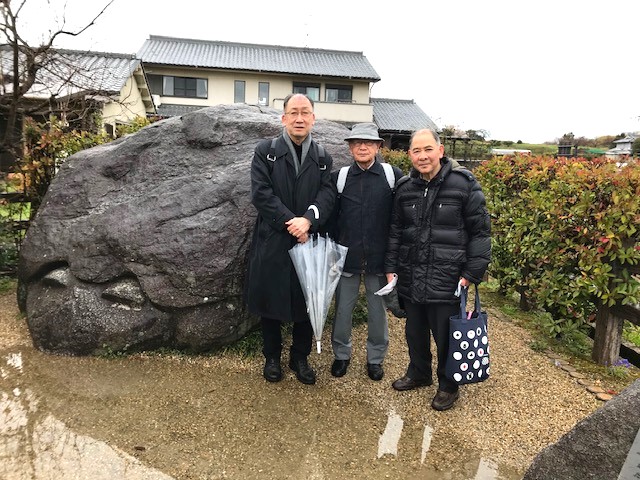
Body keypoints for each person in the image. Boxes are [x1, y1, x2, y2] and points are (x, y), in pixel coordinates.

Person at [384, 128, 491, 411]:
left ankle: (448, 384)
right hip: (411, 273)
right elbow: (395, 231)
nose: (423, 156)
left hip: (448, 276)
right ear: (410, 154)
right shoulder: (405, 188)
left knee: (445, 334)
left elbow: (480, 232)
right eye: (416, 151)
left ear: (440, 151)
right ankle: (419, 372)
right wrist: (391, 267)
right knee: (414, 331)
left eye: (428, 149)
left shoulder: (464, 184)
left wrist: (471, 273)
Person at [245, 93, 336, 385]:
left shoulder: (322, 157)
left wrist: (308, 219)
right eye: (293, 113)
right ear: (284, 118)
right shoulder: (266, 151)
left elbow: (327, 194)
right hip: (273, 237)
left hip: (308, 237)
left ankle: (300, 357)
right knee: (270, 301)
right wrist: (291, 222)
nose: (299, 118)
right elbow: (261, 193)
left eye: (305, 112)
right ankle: (271, 357)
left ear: (313, 118)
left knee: (307, 300)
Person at [328, 123, 403, 381]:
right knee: (342, 309)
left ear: (378, 146)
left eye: (369, 142)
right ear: (350, 147)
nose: (362, 147)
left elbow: (400, 218)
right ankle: (341, 354)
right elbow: (331, 217)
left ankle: (375, 359)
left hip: (380, 258)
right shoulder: (339, 178)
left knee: (378, 312)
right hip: (346, 257)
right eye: (357, 142)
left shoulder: (392, 176)